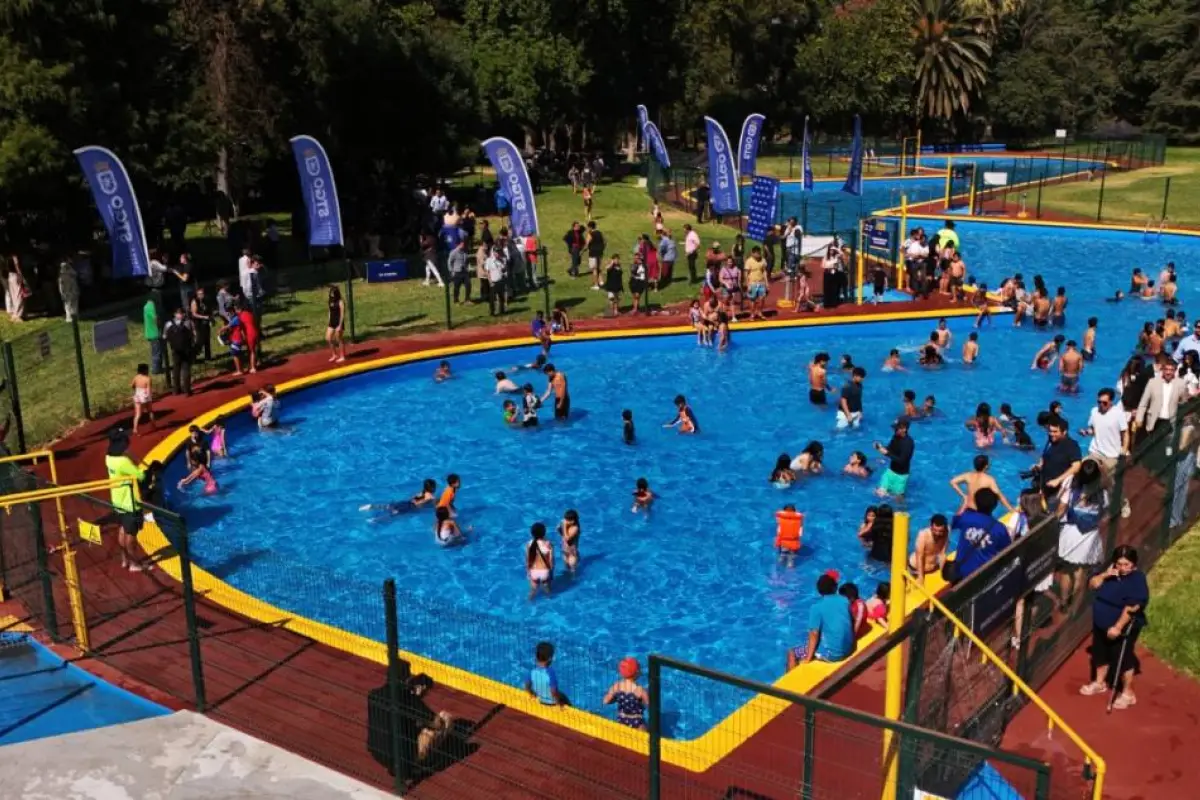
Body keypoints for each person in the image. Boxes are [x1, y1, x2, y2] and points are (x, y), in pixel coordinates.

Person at [1079, 546, 1148, 710]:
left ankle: (1128, 694)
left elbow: (1133, 606)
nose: (1122, 568)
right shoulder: (1109, 573)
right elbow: (1092, 585)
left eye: (1126, 564)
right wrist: (1105, 575)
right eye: (1119, 564)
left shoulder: (1137, 579)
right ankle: (1099, 683)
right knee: (1100, 653)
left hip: (1121, 625)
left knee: (1123, 658)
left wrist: (1118, 627)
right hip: (1100, 623)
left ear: (1133, 564)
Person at [786, 571, 856, 669]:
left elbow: (814, 634)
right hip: (849, 648)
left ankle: (792, 677)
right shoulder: (844, 600)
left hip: (832, 655)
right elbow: (851, 621)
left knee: (791, 653)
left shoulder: (816, 608)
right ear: (835, 587)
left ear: (819, 591)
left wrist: (808, 658)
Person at [104, 431, 149, 572]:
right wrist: (132, 459)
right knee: (131, 535)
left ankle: (125, 560)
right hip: (130, 503)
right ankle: (134, 564)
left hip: (118, 500)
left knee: (122, 530)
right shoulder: (123, 462)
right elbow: (141, 476)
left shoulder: (108, 458)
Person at [947, 488, 1012, 583]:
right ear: (994, 506)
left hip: (961, 573)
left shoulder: (967, 517)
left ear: (975, 502)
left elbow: (953, 523)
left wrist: (964, 504)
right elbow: (1007, 551)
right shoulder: (999, 528)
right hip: (984, 576)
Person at [1134, 358, 1185, 438]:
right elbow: (1143, 403)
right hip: (1155, 422)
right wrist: (1139, 418)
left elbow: (1184, 402)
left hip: (1171, 422)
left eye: (1171, 370)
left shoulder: (1181, 383)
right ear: (1163, 370)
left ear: (1175, 371)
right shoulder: (1153, 382)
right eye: (1166, 369)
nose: (1168, 372)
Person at [1035, 416, 1082, 504]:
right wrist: (1039, 465)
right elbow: (1045, 456)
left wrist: (1058, 480)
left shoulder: (1071, 445)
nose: (1051, 434)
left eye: (1055, 431)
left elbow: (1076, 466)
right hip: (1045, 486)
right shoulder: (1051, 441)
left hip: (1058, 490)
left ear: (1064, 432)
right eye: (1050, 431)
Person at [1082, 388, 1129, 474]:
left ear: (1111, 402)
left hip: (1111, 455)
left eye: (1104, 403)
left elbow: (1125, 434)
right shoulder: (1094, 411)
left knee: (1106, 478)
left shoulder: (1119, 414)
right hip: (1095, 452)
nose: (1101, 405)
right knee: (1083, 471)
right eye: (1099, 402)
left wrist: (1124, 451)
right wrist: (1086, 432)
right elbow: (1093, 430)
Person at [950, 455, 1016, 514]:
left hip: (968, 509)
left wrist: (964, 496)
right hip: (979, 512)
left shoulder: (968, 475)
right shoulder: (989, 479)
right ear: (986, 466)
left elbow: (952, 482)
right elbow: (999, 496)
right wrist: (1011, 510)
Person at [874, 418, 915, 500]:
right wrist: (880, 447)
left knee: (898, 500)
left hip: (900, 476)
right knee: (878, 493)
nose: (894, 430)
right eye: (894, 428)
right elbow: (890, 449)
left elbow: (902, 461)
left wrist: (887, 453)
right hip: (890, 471)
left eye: (897, 428)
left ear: (904, 429)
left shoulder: (908, 443)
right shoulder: (895, 436)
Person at [360, 479, 437, 521]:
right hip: (410, 507)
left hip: (406, 502)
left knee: (388, 506)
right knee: (394, 514)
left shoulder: (421, 492)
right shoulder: (430, 497)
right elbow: (420, 503)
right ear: (433, 488)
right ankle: (375, 520)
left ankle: (371, 506)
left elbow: (413, 498)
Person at [603, 658, 649, 728]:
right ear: (637, 673)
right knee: (646, 732)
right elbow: (649, 706)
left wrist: (617, 699)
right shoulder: (640, 690)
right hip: (637, 721)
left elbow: (605, 701)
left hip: (622, 720)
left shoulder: (617, 686)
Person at [162, 307, 196, 396]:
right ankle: (187, 389)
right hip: (186, 349)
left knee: (176, 369)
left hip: (175, 349)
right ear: (184, 314)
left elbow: (164, 337)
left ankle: (176, 389)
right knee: (186, 368)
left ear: (174, 314)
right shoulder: (188, 322)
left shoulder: (168, 324)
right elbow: (193, 334)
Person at [909, 514, 950, 583]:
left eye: (940, 531)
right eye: (935, 530)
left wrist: (942, 573)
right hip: (915, 570)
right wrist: (921, 577)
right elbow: (920, 557)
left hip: (933, 567)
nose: (937, 533)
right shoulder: (923, 535)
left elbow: (942, 554)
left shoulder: (946, 532)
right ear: (930, 527)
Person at [526, 523, 555, 599]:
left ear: (532, 533)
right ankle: (550, 600)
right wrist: (551, 573)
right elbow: (551, 560)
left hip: (534, 571)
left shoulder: (529, 544)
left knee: (532, 591)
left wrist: (528, 572)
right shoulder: (548, 544)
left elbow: (528, 560)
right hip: (544, 571)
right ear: (544, 532)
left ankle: (529, 602)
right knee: (548, 590)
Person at [130, 364, 154, 434]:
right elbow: (149, 389)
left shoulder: (136, 377)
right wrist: (150, 396)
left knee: (138, 414)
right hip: (145, 396)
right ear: (145, 370)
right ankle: (153, 425)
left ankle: (135, 428)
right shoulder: (148, 379)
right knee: (150, 411)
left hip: (137, 395)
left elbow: (132, 385)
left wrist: (136, 389)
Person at [557, 510, 581, 575]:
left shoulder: (575, 528)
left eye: (567, 520)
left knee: (572, 570)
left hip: (572, 554)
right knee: (567, 568)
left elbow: (567, 539)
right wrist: (559, 528)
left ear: (572, 521)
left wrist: (564, 526)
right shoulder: (567, 526)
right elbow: (563, 535)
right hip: (565, 552)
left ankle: (574, 579)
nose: (565, 521)